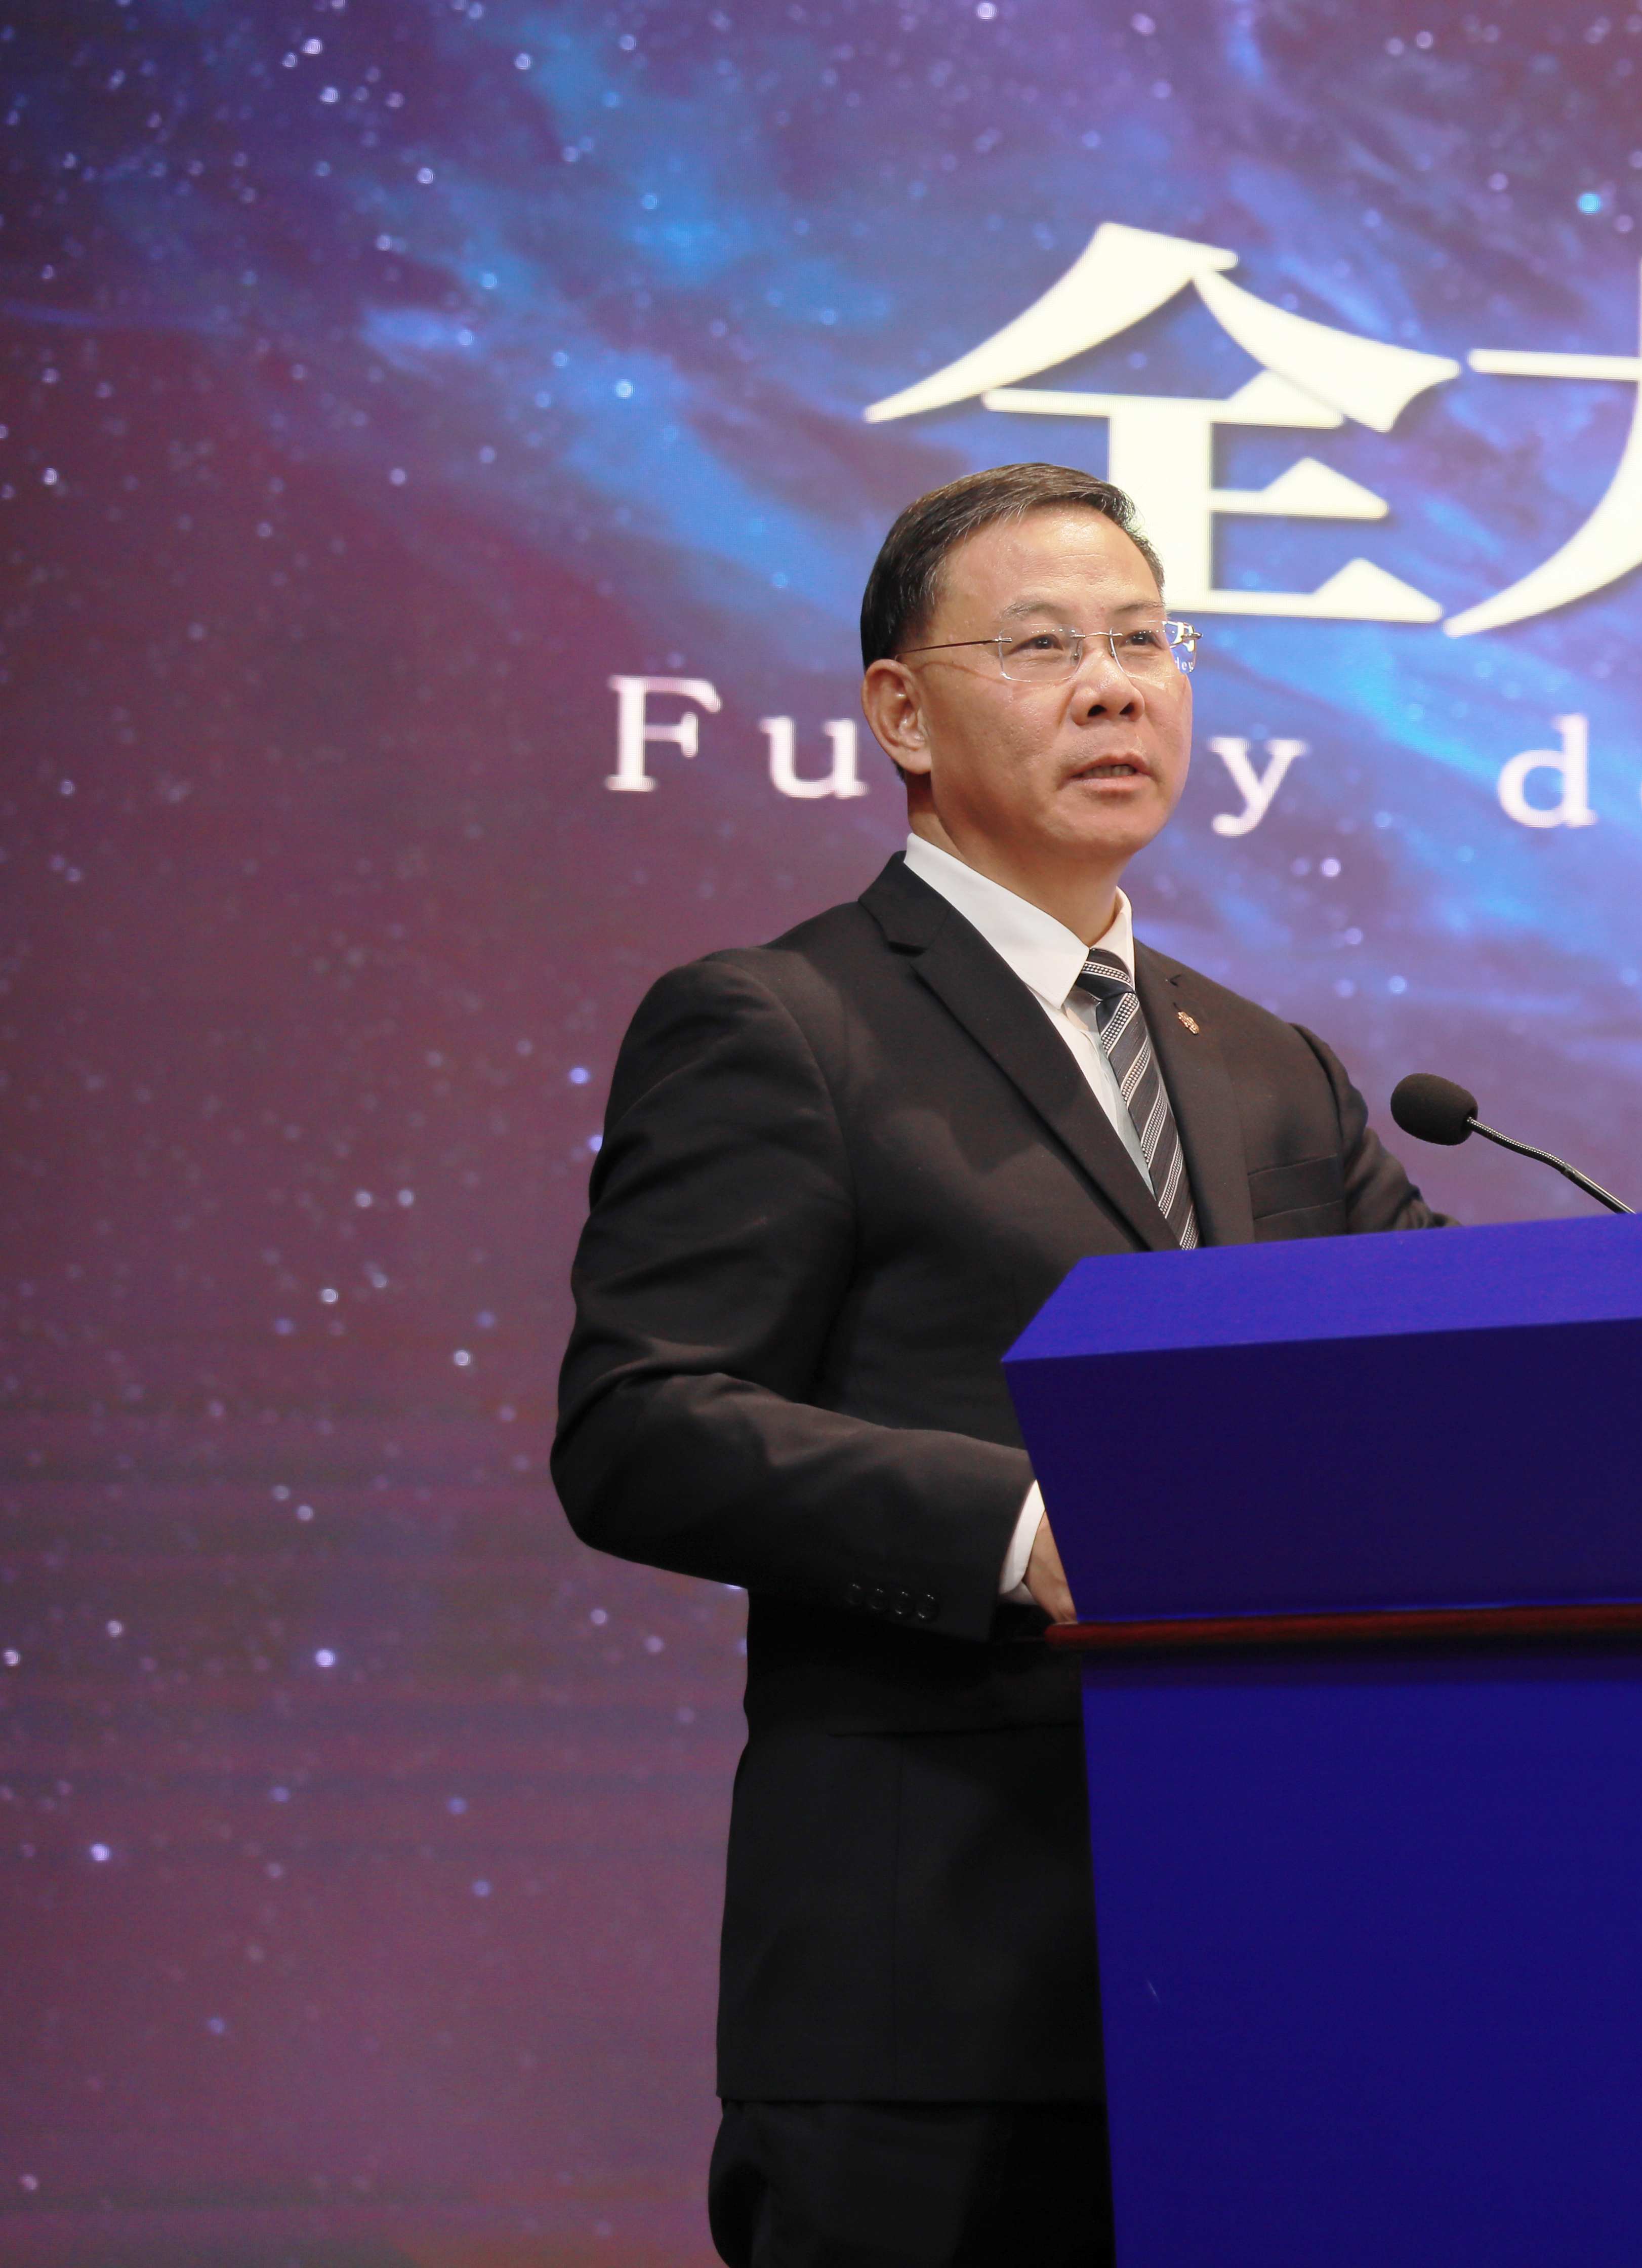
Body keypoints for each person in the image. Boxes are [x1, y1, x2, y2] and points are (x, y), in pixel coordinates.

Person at [553, 462, 1447, 2265]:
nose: (1114, 690)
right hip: (937, 2002)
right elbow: (641, 1422)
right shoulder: (785, 1024)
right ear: (902, 711)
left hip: (1272, 1977)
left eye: (1146, 643)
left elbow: (1452, 1368)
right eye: (1044, 647)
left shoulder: (1270, 1067)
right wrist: (1026, 1532)